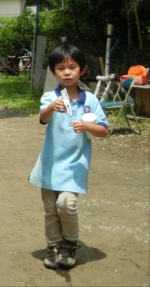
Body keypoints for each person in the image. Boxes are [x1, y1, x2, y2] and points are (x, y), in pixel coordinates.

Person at [28, 43, 108, 269]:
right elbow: (43, 119)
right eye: (60, 68)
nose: (66, 72)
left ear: (82, 70)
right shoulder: (50, 97)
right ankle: (54, 246)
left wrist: (88, 126)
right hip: (49, 165)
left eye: (72, 67)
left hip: (74, 166)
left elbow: (103, 131)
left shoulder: (89, 100)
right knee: (51, 210)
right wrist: (52, 107)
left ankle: (70, 243)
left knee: (66, 204)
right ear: (53, 72)